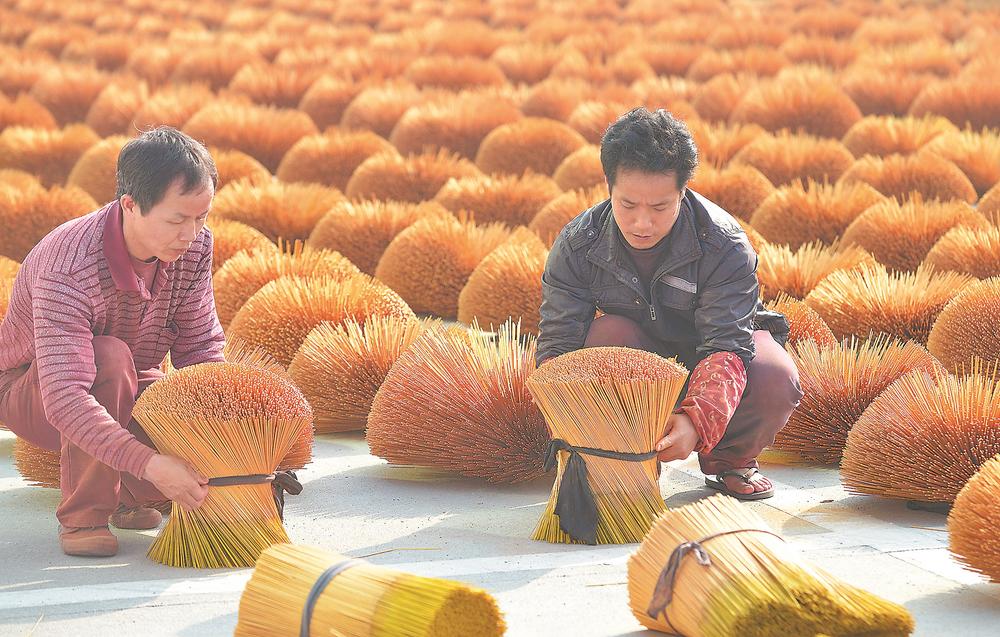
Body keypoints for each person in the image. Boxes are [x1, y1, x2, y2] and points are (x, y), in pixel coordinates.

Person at [536, 107, 802, 500]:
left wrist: (696, 421)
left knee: (775, 373)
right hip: (640, 358)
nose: (642, 223)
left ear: (683, 192)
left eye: (660, 207)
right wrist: (575, 436)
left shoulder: (723, 243)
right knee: (603, 336)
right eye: (628, 205)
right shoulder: (578, 243)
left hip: (713, 354)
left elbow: (727, 345)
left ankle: (730, 460)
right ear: (608, 187)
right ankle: (631, 459)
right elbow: (557, 349)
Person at [0, 126, 226, 557]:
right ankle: (84, 517)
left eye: (202, 217)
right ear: (130, 205)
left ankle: (129, 497)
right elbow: (64, 397)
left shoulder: (194, 248)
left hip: (126, 383)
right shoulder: (68, 264)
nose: (191, 234)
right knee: (109, 358)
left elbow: (200, 350)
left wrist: (217, 436)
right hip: (32, 390)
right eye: (178, 219)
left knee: (168, 399)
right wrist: (150, 463)